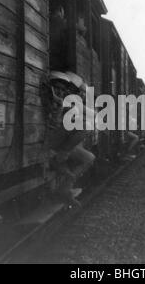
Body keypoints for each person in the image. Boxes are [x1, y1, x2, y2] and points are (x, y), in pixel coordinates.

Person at [44, 71, 96, 207]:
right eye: (58, 88)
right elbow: (54, 124)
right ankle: (60, 158)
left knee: (89, 158)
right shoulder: (54, 99)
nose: (62, 91)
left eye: (64, 88)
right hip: (52, 140)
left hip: (63, 141)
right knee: (86, 125)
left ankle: (64, 189)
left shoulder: (66, 101)